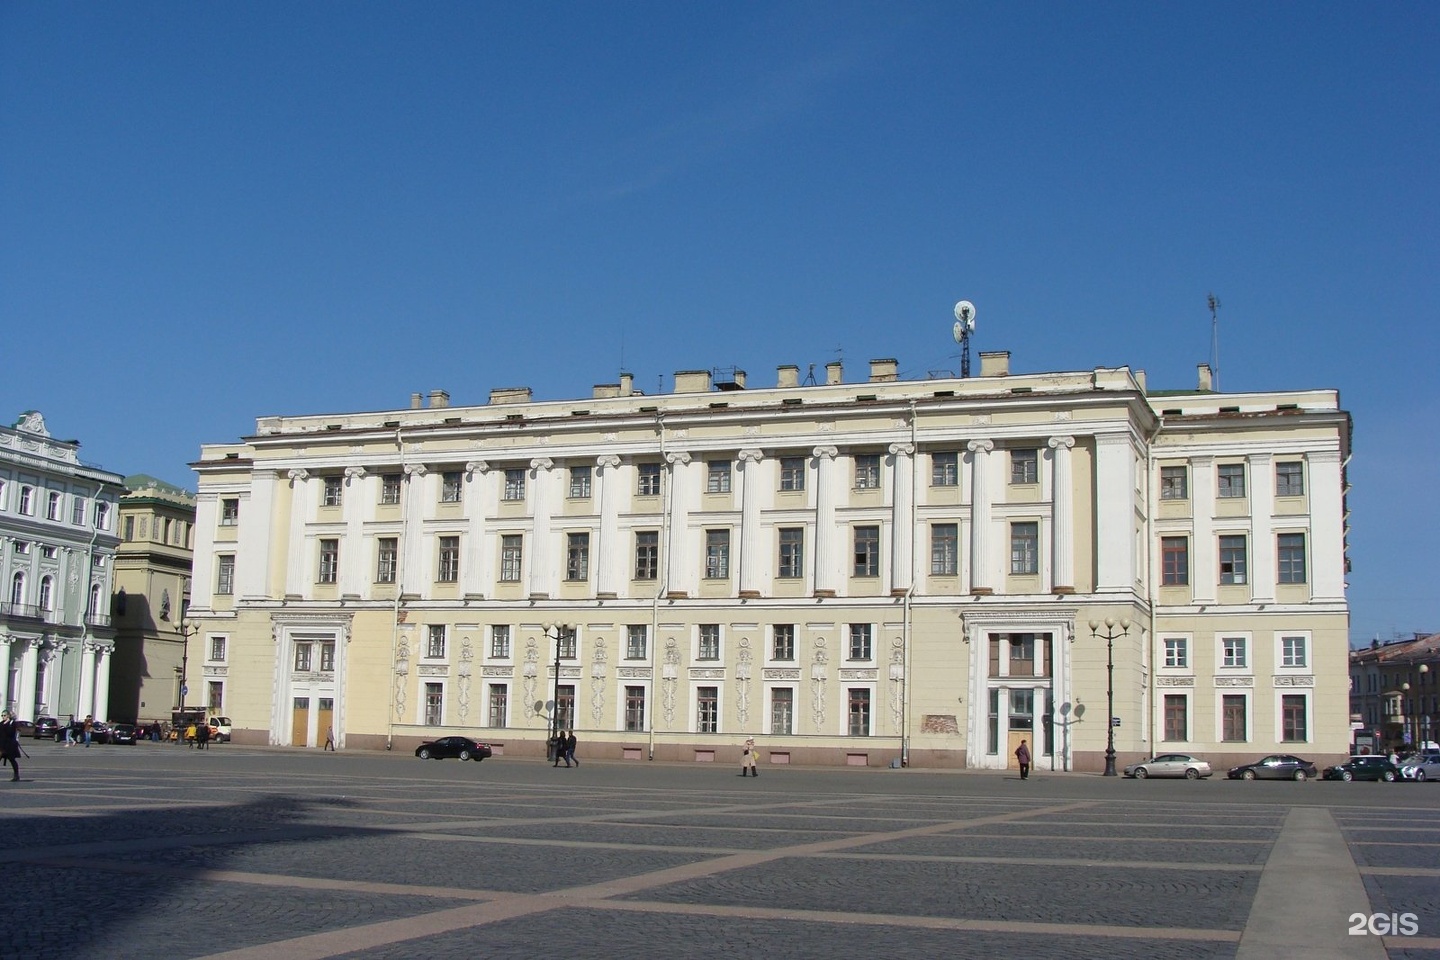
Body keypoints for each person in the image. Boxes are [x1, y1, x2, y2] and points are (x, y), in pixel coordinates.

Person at [0, 711, 21, 782]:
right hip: (2, 746)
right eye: (2, 715)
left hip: (9, 746)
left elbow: (10, 733)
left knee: (12, 760)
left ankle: (16, 775)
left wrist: (7, 724)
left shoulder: (12, 723)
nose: (3, 717)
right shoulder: (1, 723)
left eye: (4, 715)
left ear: (8, 716)